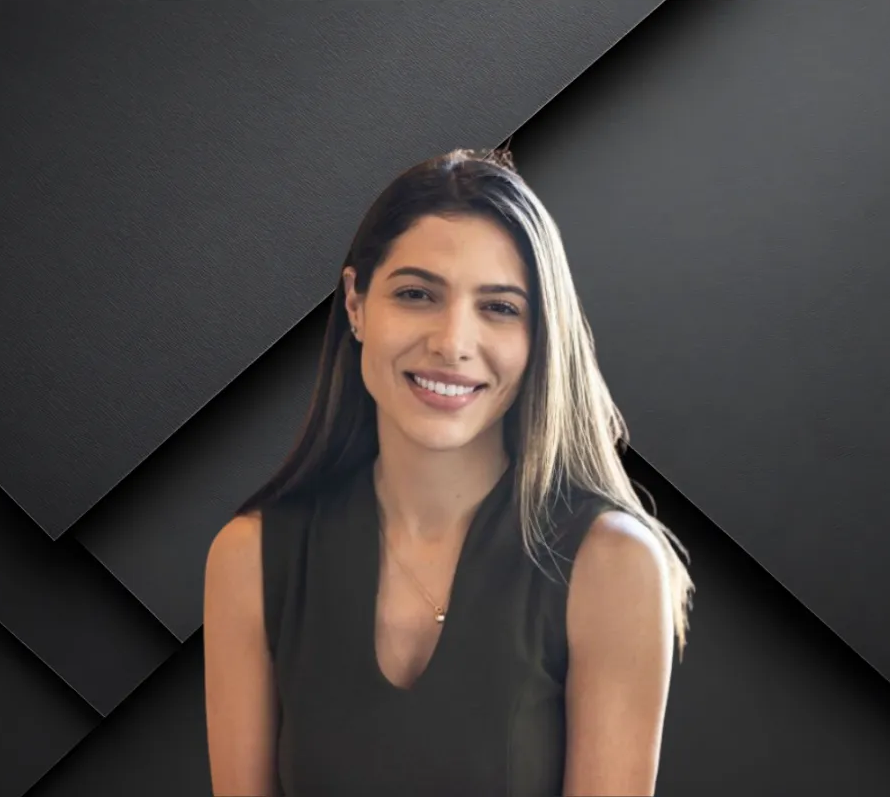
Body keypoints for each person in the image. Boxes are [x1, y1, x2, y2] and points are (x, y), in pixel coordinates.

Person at [203, 147, 694, 797]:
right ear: (356, 304)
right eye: (416, 294)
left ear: (541, 335)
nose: (451, 342)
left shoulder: (613, 565)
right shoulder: (250, 557)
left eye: (500, 308)